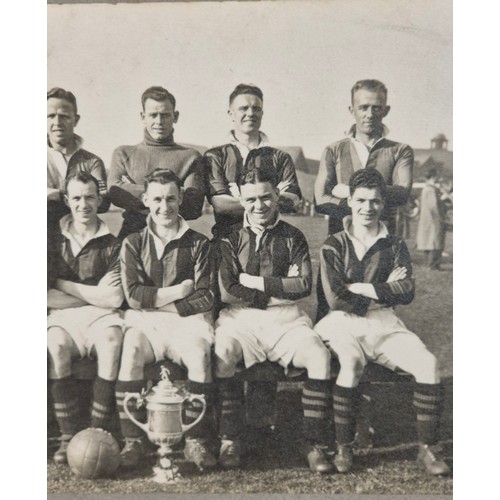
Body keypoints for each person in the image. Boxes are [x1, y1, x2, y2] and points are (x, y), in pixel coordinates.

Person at [314, 169, 449, 476]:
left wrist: (360, 288)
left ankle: (428, 448)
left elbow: (407, 290)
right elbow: (336, 299)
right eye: (361, 200)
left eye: (375, 201)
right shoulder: (333, 244)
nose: (368, 207)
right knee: (350, 362)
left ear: (382, 204)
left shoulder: (394, 244)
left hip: (384, 321)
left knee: (428, 364)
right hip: (339, 322)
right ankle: (344, 445)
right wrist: (382, 290)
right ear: (349, 201)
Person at [214, 163, 333, 473]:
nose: (259, 206)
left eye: (266, 197)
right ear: (240, 199)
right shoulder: (228, 237)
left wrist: (253, 282)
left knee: (319, 356)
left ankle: (313, 442)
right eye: (251, 199)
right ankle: (229, 437)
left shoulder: (294, 236)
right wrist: (280, 287)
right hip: (240, 318)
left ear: (278, 195)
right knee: (223, 353)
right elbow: (227, 292)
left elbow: (304, 286)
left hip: (285, 320)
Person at [205, 83, 303, 432]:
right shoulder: (216, 155)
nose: (250, 113)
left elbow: (294, 200)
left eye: (256, 108)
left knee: (269, 324)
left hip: (272, 244)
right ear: (230, 112)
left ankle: (262, 415)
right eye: (243, 108)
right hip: (229, 243)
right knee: (229, 324)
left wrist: (241, 195)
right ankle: (225, 414)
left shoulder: (279, 157)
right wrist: (267, 196)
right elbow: (217, 203)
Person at [116, 169, 217, 470]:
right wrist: (176, 291)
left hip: (187, 323)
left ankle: (195, 439)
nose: (164, 206)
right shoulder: (133, 242)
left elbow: (206, 297)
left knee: (199, 354)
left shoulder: (198, 243)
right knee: (132, 347)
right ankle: (132, 440)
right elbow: (133, 296)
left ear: (181, 199)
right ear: (145, 200)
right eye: (157, 199)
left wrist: (159, 303)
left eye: (171, 198)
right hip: (147, 324)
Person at [47, 172, 124, 464]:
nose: (83, 204)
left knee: (111, 343)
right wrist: (92, 292)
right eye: (77, 197)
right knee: (56, 347)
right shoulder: (52, 240)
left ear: (99, 200)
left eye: (89, 197)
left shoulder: (113, 243)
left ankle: (98, 430)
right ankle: (68, 436)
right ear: (67, 201)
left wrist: (62, 284)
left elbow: (114, 299)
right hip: (64, 316)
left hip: (101, 317)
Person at [314, 79, 413, 236]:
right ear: (352, 110)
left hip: (382, 241)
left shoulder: (400, 151)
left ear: (386, 110)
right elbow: (320, 200)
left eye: (376, 108)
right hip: (340, 239)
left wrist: (350, 192)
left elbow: (402, 194)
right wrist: (376, 198)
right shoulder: (333, 150)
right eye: (363, 108)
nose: (370, 114)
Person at [108, 86, 206, 239]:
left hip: (176, 240)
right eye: (153, 115)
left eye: (165, 115)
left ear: (175, 116)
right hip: (132, 237)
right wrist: (174, 193)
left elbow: (192, 208)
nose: (159, 121)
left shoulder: (191, 157)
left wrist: (137, 192)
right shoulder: (123, 154)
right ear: (142, 117)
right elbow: (115, 193)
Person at [47, 88, 110, 285]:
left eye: (64, 116)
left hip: (82, 242)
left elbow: (104, 201)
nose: (57, 122)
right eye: (50, 116)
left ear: (76, 119)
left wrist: (53, 195)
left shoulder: (92, 161)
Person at [416, 167, 447, 270]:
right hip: (433, 220)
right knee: (435, 242)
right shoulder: (431, 190)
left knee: (428, 242)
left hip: (426, 219)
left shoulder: (426, 189)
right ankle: (433, 265)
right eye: (437, 177)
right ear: (434, 177)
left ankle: (429, 264)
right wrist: (440, 218)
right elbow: (433, 206)